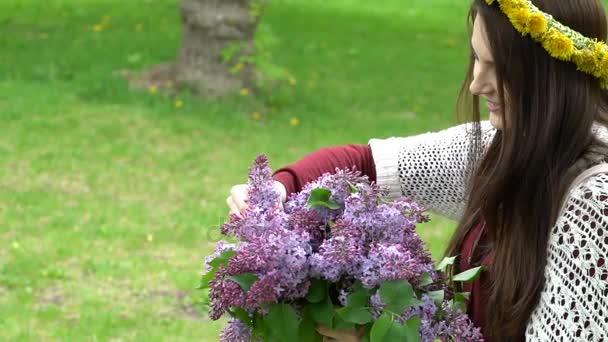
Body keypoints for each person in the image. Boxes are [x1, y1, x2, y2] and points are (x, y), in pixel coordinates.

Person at [226, 0, 608, 340]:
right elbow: (365, 164)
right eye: (476, 58)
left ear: (550, 76)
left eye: (499, 68)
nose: (476, 84)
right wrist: (278, 190)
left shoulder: (593, 204)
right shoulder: (504, 146)